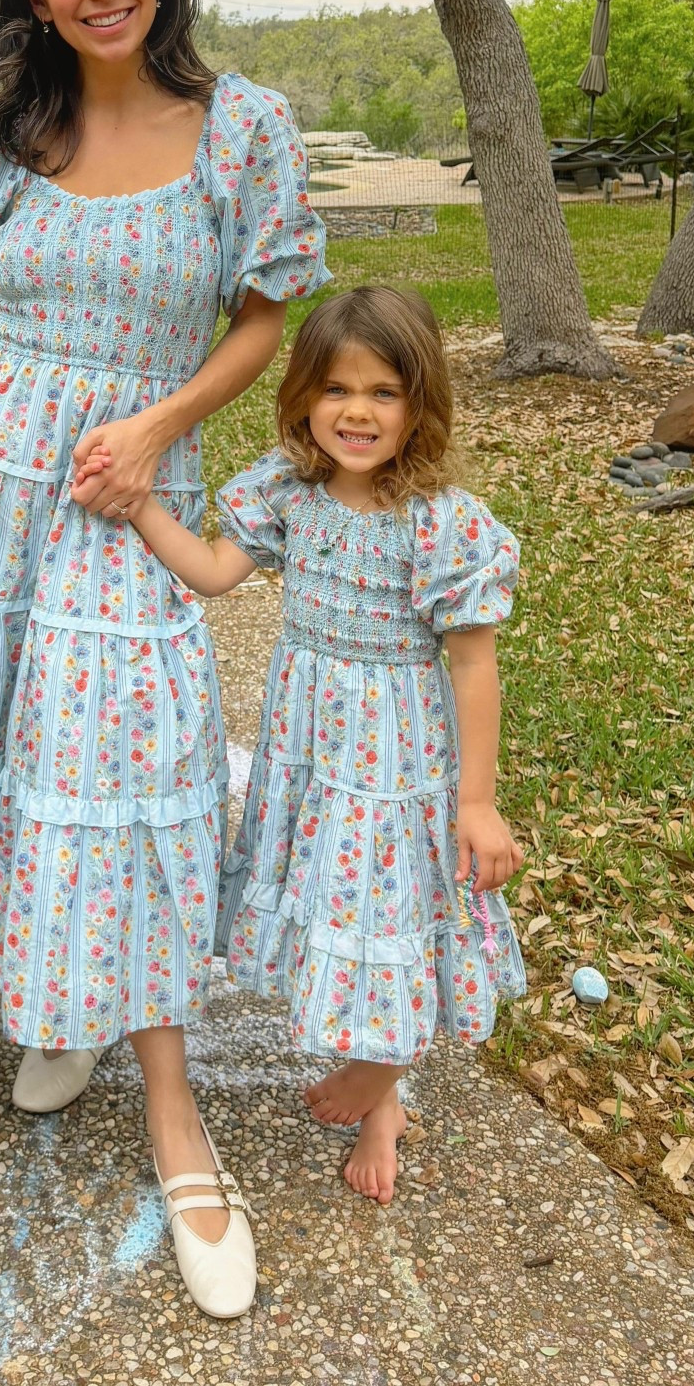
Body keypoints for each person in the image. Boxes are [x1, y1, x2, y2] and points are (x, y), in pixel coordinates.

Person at [0, 0, 328, 1316]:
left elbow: (268, 316)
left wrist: (157, 429)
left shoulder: (243, 128)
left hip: (128, 496)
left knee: (127, 771)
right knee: (17, 759)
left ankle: (176, 1119)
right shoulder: (15, 133)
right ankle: (61, 1004)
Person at [89, 283, 525, 1206]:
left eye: (383, 392)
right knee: (334, 907)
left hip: (394, 761)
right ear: (303, 397)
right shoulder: (290, 491)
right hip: (309, 746)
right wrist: (137, 510)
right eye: (335, 389)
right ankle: (382, 1092)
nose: (357, 412)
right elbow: (212, 572)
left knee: (387, 916)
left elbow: (474, 667)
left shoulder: (441, 523)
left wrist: (475, 801)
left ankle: (378, 1089)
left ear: (421, 402)